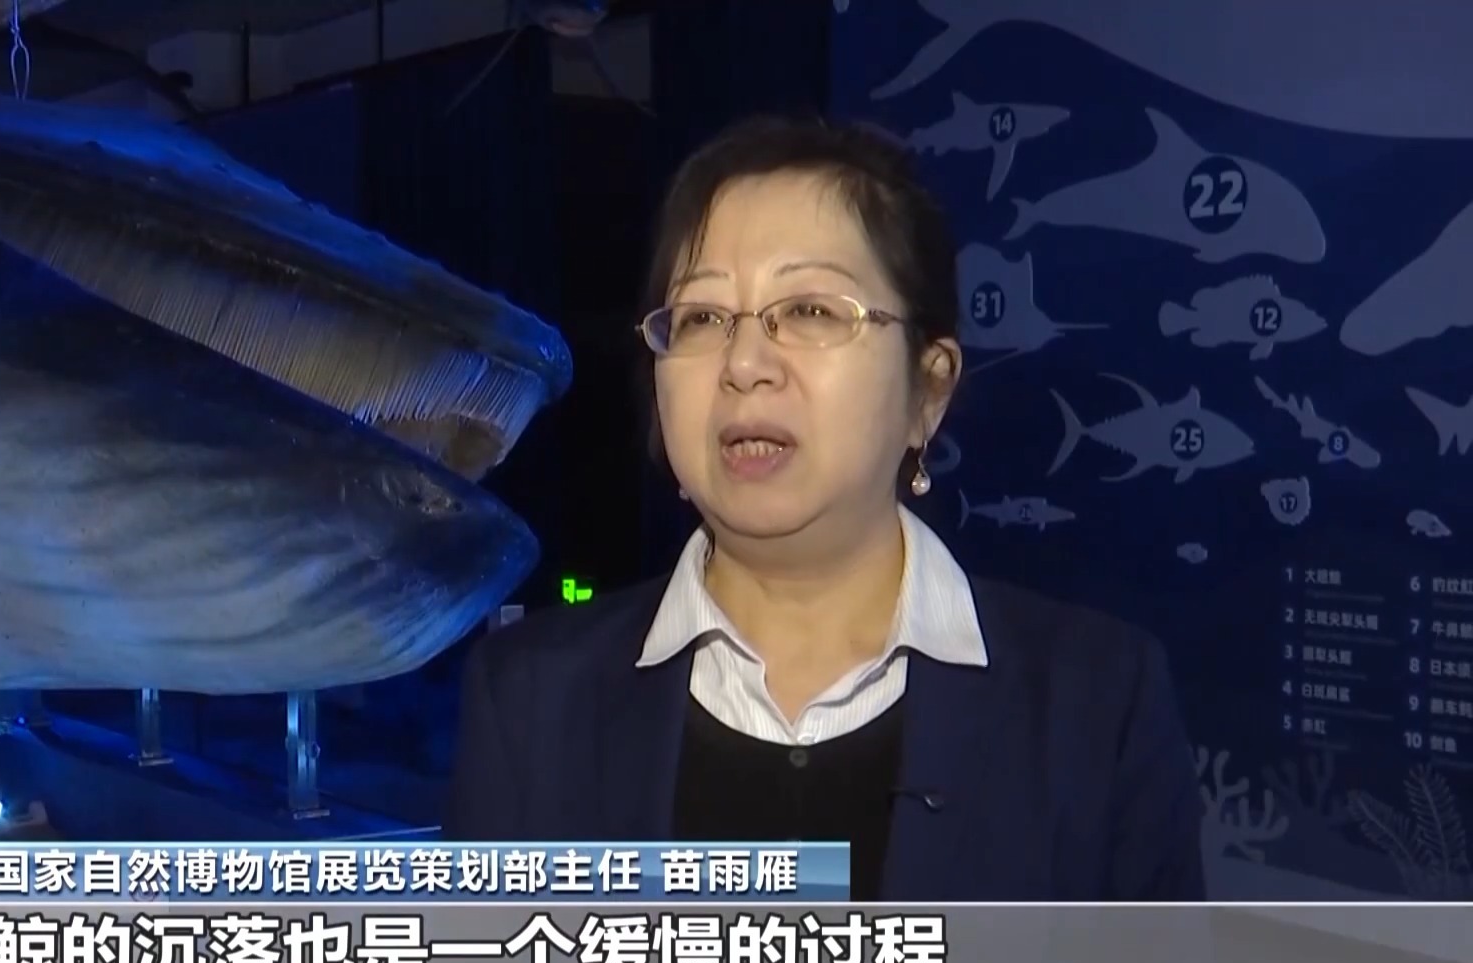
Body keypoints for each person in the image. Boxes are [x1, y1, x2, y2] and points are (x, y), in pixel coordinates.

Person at [443, 115, 1204, 901]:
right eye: (702, 318)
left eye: (810, 311)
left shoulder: (1099, 704)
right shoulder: (530, 698)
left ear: (928, 390)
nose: (744, 363)